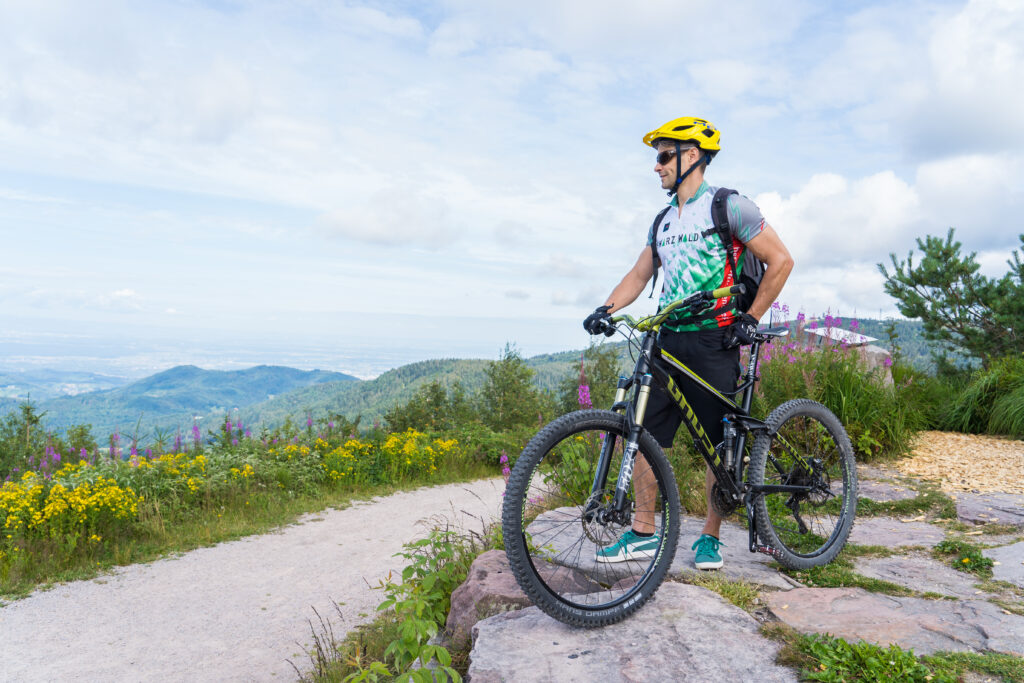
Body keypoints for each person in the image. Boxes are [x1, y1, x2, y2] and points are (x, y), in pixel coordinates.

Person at [582, 116, 794, 570]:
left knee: (719, 446)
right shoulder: (662, 220)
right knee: (640, 437)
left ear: (691, 155)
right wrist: (606, 309)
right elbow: (641, 273)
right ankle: (641, 531)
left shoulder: (729, 207)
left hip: (715, 339)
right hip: (666, 340)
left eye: (663, 156)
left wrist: (750, 319)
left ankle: (711, 538)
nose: (656, 167)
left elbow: (780, 261)